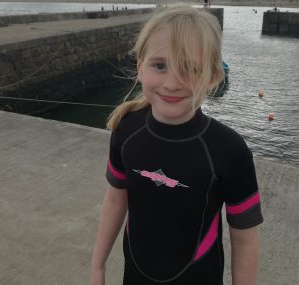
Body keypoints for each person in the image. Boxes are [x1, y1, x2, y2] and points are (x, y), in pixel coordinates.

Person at [90, 4, 263, 285]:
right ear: (140, 67)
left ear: (213, 78)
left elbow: (244, 239)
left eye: (190, 69)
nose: (172, 83)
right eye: (160, 65)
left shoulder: (229, 151)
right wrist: (97, 267)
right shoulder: (126, 129)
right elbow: (114, 200)